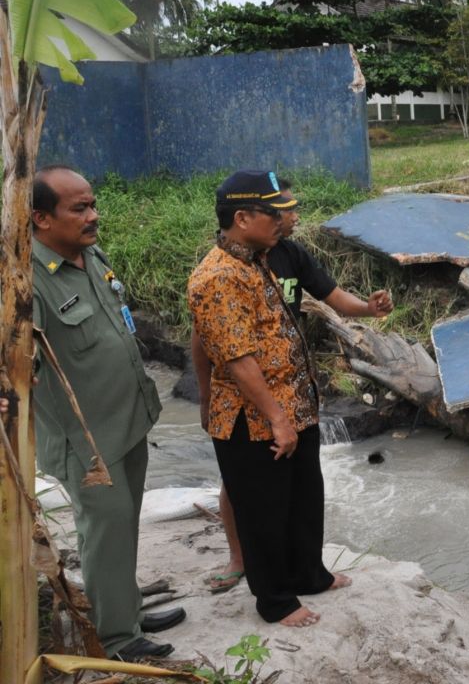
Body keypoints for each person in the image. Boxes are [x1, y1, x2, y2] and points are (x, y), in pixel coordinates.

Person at [193, 178, 392, 594]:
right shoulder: (217, 276)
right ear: (243, 218)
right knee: (263, 510)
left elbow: (320, 304)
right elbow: (236, 357)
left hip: (295, 403)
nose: (288, 219)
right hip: (256, 415)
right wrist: (276, 418)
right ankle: (276, 600)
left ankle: (308, 575)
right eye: (276, 212)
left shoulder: (259, 259)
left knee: (303, 500)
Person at [30, 165, 185, 660]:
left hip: (127, 417)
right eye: (79, 209)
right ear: (40, 219)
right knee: (104, 530)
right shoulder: (25, 281)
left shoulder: (89, 254)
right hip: (87, 439)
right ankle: (117, 640)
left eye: (93, 204)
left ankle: (125, 610)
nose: (93, 216)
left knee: (124, 523)